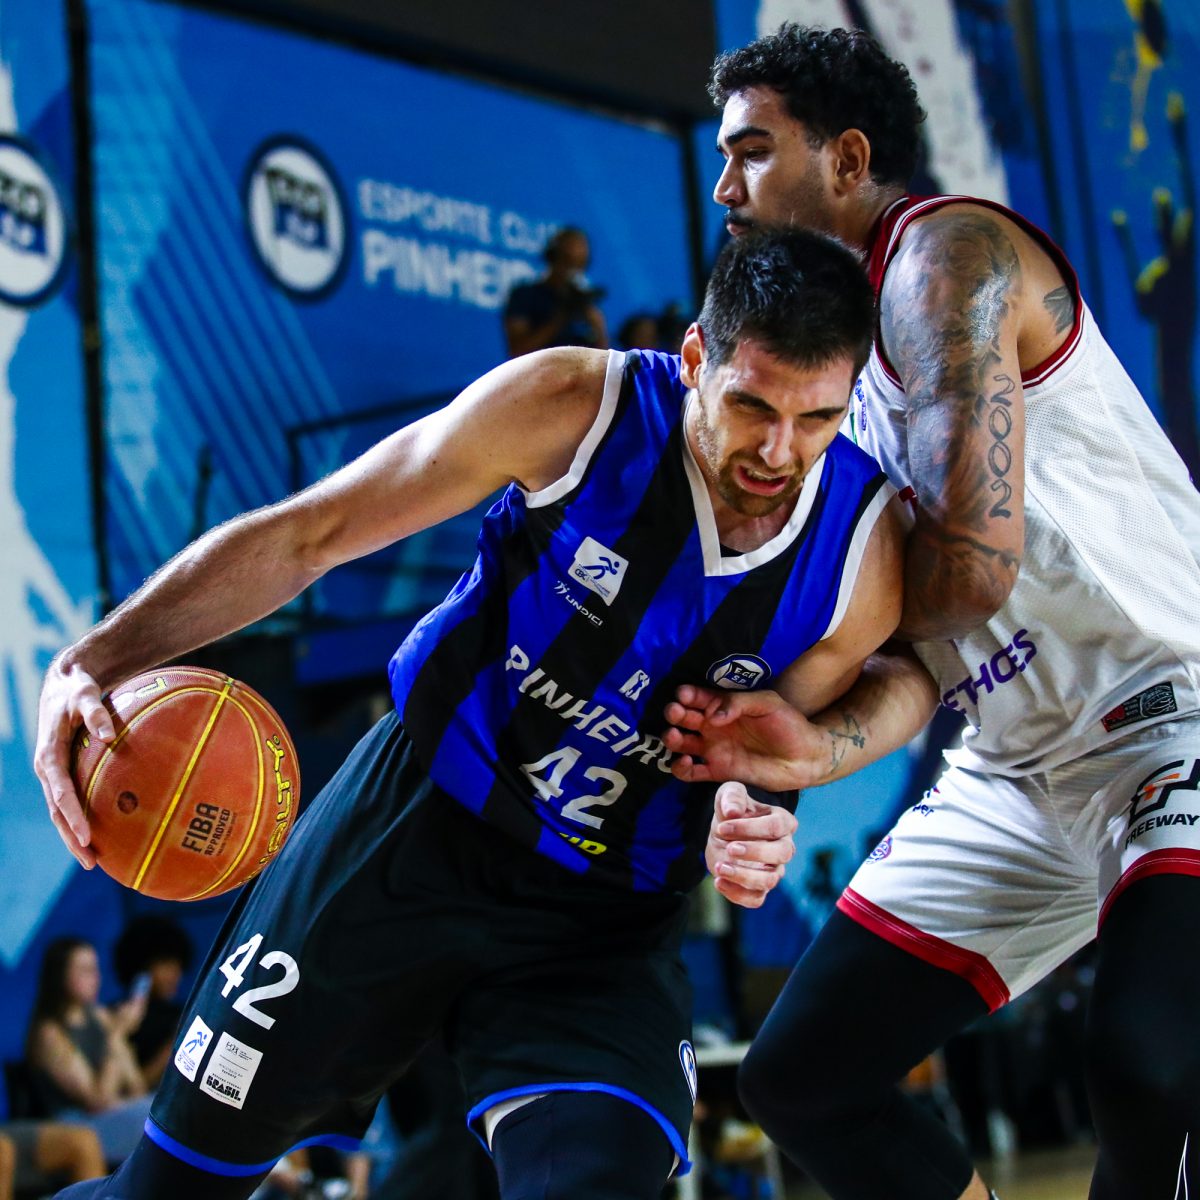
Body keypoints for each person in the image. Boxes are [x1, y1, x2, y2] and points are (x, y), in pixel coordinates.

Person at [34, 228, 906, 1200]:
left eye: (817, 418)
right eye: (752, 406)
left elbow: (774, 742)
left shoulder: (860, 560)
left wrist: (757, 815)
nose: (779, 451)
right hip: (413, 826)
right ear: (697, 357)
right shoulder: (575, 408)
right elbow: (313, 533)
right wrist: (92, 659)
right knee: (165, 1193)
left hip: (603, 915)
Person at [665, 23, 1200, 1200]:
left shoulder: (945, 257)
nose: (724, 187)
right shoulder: (837, 370)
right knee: (803, 1081)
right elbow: (921, 652)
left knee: (1150, 1067)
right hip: (1017, 764)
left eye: (752, 151)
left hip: (1169, 710)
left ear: (848, 159)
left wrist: (802, 666)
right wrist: (805, 747)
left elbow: (969, 573)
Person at [24, 937, 153, 1165]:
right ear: (60, 975)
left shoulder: (99, 1016)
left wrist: (119, 1041)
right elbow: (97, 1102)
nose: (96, 978)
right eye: (85, 971)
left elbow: (137, 1088)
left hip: (114, 1112)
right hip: (75, 1126)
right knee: (151, 1122)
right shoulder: (49, 1033)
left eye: (96, 969)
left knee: (160, 1109)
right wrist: (116, 1036)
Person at [112, 916, 194, 1087]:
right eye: (165, 964)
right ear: (142, 966)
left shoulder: (183, 1016)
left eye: (178, 965)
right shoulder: (115, 1015)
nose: (174, 974)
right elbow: (136, 1087)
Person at [502, 226, 608, 356]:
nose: (572, 269)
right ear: (552, 257)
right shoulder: (525, 295)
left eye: (580, 264)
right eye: (567, 260)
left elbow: (602, 359)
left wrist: (598, 326)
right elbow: (518, 351)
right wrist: (561, 318)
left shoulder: (585, 305)